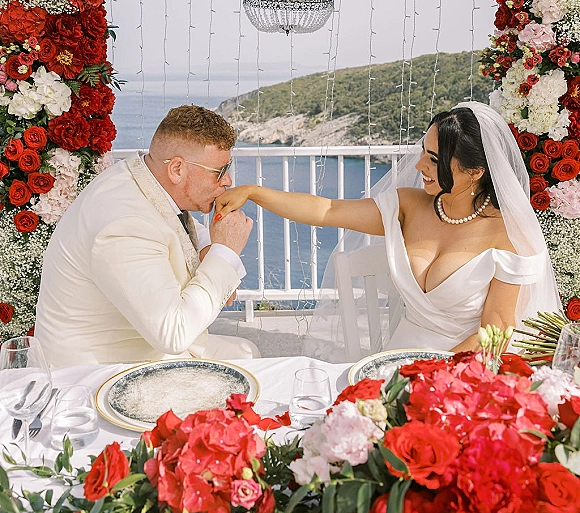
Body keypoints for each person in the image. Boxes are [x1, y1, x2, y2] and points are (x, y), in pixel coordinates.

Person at [214, 101, 562, 355]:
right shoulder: (408, 206)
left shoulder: (509, 236)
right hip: (400, 356)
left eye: (435, 160)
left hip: (465, 364)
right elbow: (327, 209)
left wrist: (437, 376)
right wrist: (254, 192)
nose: (421, 165)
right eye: (423, 151)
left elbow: (496, 330)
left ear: (475, 172)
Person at [35, 105, 258, 367]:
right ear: (177, 169)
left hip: (140, 344)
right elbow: (173, 335)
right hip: (97, 371)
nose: (228, 181)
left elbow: (175, 224)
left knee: (247, 351)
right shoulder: (124, 225)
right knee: (247, 362)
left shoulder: (142, 176)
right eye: (219, 171)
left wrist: (211, 247)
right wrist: (225, 252)